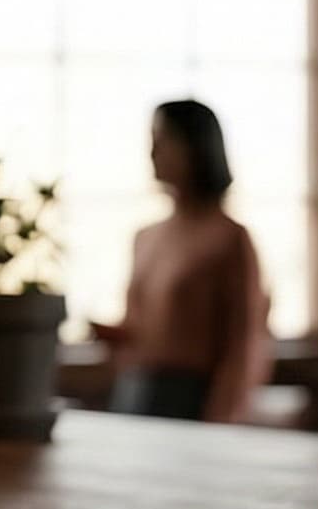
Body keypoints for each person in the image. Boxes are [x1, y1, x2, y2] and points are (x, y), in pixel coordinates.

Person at [98, 100, 273, 422]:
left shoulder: (229, 238)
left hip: (193, 399)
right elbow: (140, 327)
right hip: (135, 391)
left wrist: (222, 418)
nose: (153, 153)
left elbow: (245, 341)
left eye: (163, 141)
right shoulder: (145, 236)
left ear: (196, 147)